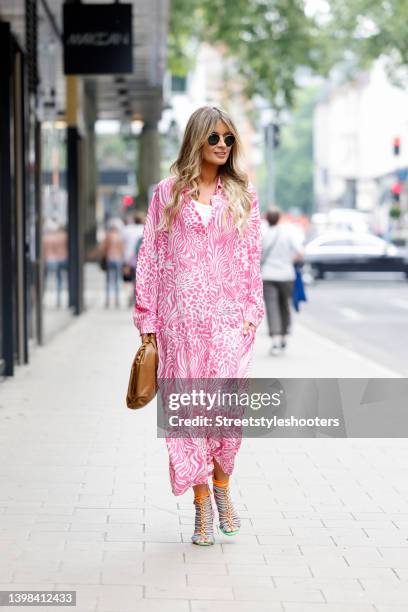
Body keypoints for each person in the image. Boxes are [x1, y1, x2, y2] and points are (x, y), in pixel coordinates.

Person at [133, 106, 264, 546]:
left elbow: (251, 259)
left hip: (230, 323)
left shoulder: (244, 195)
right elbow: (149, 256)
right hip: (180, 323)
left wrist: (251, 312)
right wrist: (147, 320)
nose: (223, 146)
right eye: (215, 139)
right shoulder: (167, 194)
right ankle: (201, 504)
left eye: (229, 139)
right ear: (197, 141)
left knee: (228, 416)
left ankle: (223, 487)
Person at [261, 208, 304, 356]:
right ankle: (285, 335)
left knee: (272, 307)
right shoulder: (287, 234)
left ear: (267, 219)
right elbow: (300, 252)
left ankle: (275, 341)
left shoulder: (263, 235)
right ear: (279, 218)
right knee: (285, 304)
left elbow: (257, 256)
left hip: (268, 275)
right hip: (287, 275)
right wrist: (288, 261)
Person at [100, 218, 125, 308]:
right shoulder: (119, 237)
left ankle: (107, 301)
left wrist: (103, 256)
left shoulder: (108, 236)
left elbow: (102, 248)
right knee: (118, 280)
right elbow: (122, 250)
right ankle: (117, 301)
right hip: (118, 259)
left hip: (110, 259)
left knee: (108, 281)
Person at [121, 212, 145, 306]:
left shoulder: (127, 230)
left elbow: (123, 244)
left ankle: (131, 297)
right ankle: (138, 298)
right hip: (141, 259)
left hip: (129, 259)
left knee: (129, 280)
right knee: (140, 280)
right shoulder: (144, 229)